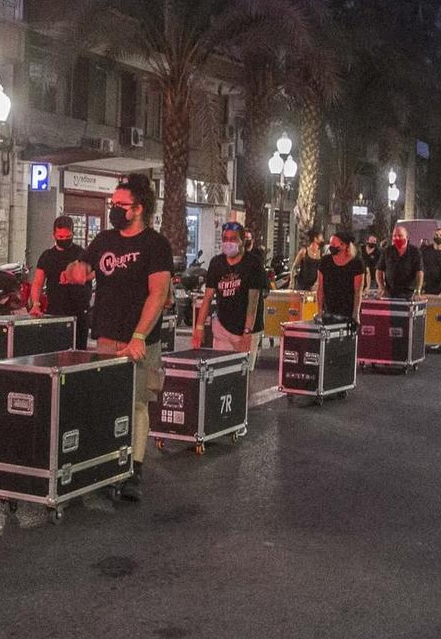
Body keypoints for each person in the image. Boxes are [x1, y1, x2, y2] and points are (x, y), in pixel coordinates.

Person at [68, 175, 172, 502]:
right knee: (106, 401)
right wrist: (77, 271)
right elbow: (84, 268)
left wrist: (140, 336)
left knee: (138, 402)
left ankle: (134, 470)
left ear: (138, 209)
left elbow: (158, 295)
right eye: (112, 204)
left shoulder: (155, 245)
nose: (114, 209)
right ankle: (107, 461)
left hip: (138, 340)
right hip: (106, 336)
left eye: (120, 205)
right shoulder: (104, 239)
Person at [194, 220, 267, 353]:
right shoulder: (216, 263)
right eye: (225, 239)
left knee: (242, 371)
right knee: (221, 368)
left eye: (233, 239)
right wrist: (199, 327)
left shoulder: (253, 264)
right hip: (222, 328)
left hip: (246, 329)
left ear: (242, 241)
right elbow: (208, 297)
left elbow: (253, 302)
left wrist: (247, 331)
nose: (228, 243)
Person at [30, 215, 92, 343]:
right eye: (61, 237)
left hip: (79, 312)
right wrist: (36, 303)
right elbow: (37, 282)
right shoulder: (47, 256)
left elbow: (94, 272)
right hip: (55, 311)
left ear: (73, 233)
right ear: (54, 235)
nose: (64, 240)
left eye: (68, 237)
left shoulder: (81, 254)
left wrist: (76, 276)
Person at [315, 231, 366, 319]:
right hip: (329, 310)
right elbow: (320, 288)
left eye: (334, 244)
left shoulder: (356, 263)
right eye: (330, 244)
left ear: (344, 245)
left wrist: (356, 313)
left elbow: (358, 291)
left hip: (348, 310)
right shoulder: (325, 261)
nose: (331, 247)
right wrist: (319, 310)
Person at [377, 224, 422, 298]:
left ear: (407, 237)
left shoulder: (415, 252)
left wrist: (418, 290)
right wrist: (381, 287)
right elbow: (379, 270)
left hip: (409, 293)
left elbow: (419, 272)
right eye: (394, 236)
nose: (397, 238)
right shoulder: (387, 251)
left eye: (400, 235)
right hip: (390, 293)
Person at [419, 232, 441, 298]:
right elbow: (421, 269)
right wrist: (419, 288)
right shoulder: (426, 251)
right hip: (427, 287)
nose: (438, 237)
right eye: (436, 235)